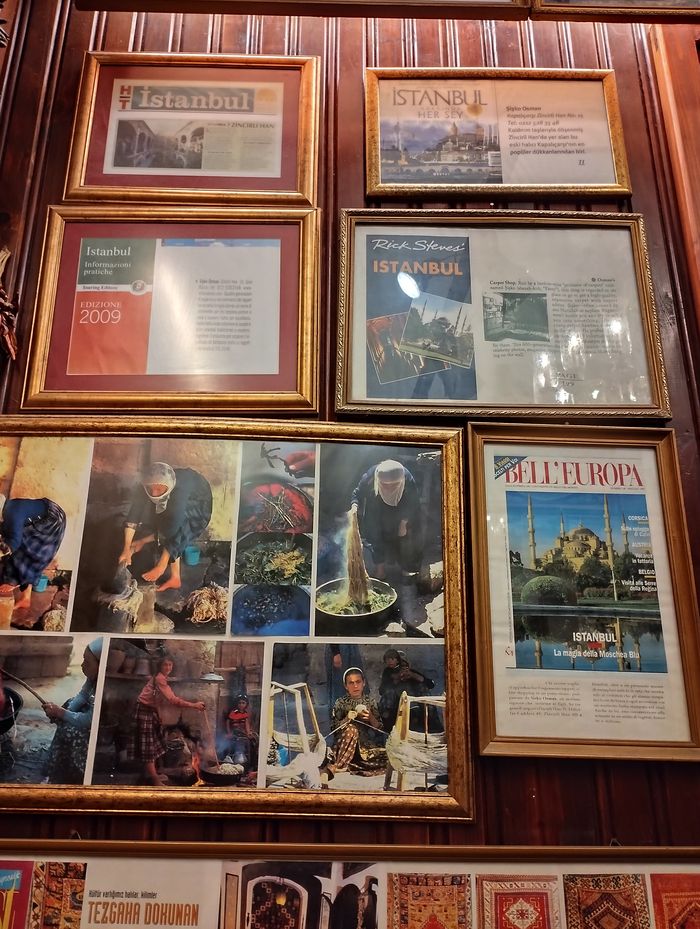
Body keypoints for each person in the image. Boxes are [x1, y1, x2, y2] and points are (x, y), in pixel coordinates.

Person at [119, 462, 212, 592]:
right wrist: (126, 548)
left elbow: (172, 528)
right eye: (150, 489)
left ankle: (169, 572)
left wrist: (161, 565)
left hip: (200, 500)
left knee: (181, 526)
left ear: (169, 486)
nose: (154, 493)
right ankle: (175, 578)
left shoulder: (179, 491)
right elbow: (134, 514)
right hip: (177, 499)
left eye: (159, 489)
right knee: (164, 519)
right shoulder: (146, 484)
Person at [132, 655, 206, 786]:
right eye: (165, 665)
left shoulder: (162, 679)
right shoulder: (159, 679)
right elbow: (173, 700)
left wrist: (159, 715)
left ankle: (152, 774)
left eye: (170, 665)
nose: (168, 667)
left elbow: (158, 700)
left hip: (150, 711)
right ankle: (155, 780)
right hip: (144, 711)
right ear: (160, 666)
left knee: (155, 744)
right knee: (148, 748)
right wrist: (194, 705)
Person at [43, 638, 102, 784]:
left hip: (96, 724)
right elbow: (83, 695)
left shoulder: (104, 684)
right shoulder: (93, 678)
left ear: (102, 666)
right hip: (88, 715)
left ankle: (74, 773)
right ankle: (57, 766)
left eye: (87, 663)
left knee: (70, 730)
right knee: (69, 704)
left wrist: (60, 713)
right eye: (83, 660)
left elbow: (90, 720)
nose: (82, 665)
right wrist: (64, 711)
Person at [350, 459, 422, 579]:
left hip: (400, 507)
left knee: (405, 539)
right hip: (376, 506)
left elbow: (413, 503)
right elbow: (357, 493)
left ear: (401, 481)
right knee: (375, 536)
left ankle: (406, 570)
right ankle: (380, 570)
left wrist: (404, 522)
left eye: (394, 485)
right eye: (385, 485)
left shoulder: (407, 478)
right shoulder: (370, 476)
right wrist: (354, 506)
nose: (389, 488)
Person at [0, 494, 66, 611]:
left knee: (27, 552)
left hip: (53, 520)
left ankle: (14, 582)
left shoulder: (12, 514)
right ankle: (26, 598)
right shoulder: (8, 507)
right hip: (47, 512)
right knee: (22, 550)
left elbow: (14, 543)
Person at [325, 668, 387, 777]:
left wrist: (371, 718)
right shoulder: (340, 703)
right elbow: (334, 729)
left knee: (389, 760)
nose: (355, 686)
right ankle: (337, 766)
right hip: (345, 746)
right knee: (351, 729)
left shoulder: (370, 702)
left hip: (365, 749)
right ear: (346, 686)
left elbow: (380, 730)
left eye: (358, 682)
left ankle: (347, 765)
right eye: (351, 683)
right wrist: (346, 719)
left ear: (363, 683)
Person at [378, 647, 440, 734]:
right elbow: (382, 691)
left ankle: (433, 726)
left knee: (422, 688)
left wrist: (414, 676)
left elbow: (430, 684)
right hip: (395, 709)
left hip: (415, 708)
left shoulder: (412, 674)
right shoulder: (388, 674)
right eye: (388, 659)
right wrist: (396, 679)